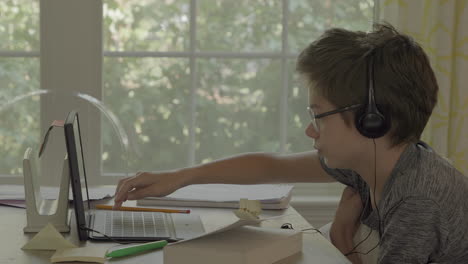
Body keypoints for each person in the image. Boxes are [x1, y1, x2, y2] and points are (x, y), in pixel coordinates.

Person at [113, 23, 468, 263]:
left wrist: (344, 245)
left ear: (370, 120)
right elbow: (271, 165)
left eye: (318, 115)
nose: (310, 131)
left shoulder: (418, 201)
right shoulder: (374, 163)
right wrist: (181, 176)